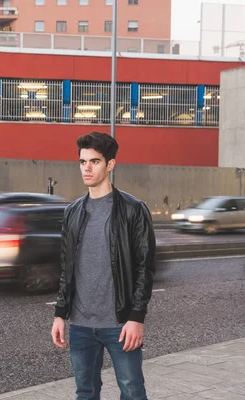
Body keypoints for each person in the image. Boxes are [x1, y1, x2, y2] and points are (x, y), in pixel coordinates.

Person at [51, 131, 156, 400]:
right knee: (85, 393)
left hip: (120, 324)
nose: (86, 167)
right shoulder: (72, 212)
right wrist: (60, 314)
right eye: (82, 161)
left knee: (132, 392)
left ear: (110, 164)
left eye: (94, 161)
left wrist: (136, 318)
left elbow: (145, 267)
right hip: (81, 325)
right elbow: (66, 268)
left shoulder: (133, 210)